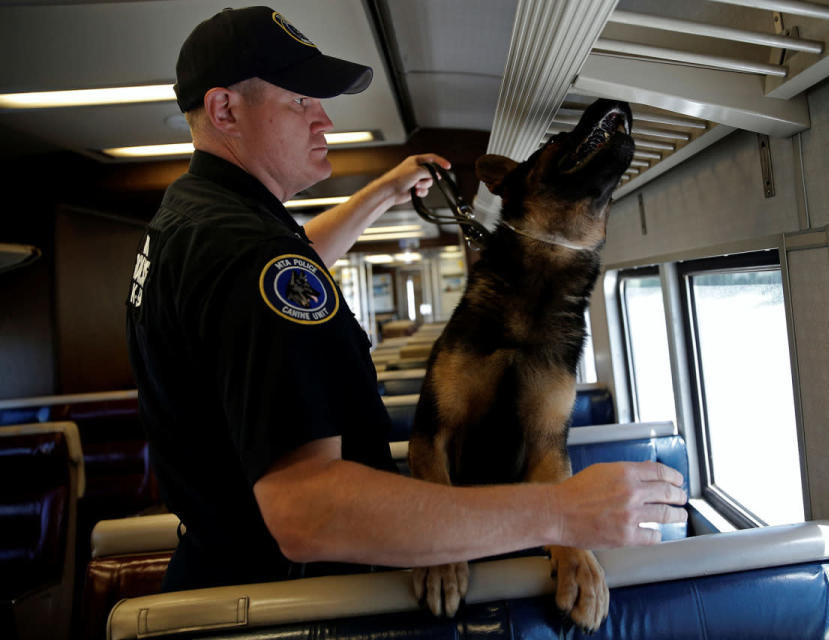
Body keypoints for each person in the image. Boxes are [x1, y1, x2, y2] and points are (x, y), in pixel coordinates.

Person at [125, 5, 687, 593]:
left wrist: (384, 192)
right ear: (224, 110)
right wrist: (562, 512)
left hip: (224, 572)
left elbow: (287, 267)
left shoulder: (193, 222)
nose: (324, 120)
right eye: (300, 101)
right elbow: (306, 512)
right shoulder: (249, 254)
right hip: (288, 596)